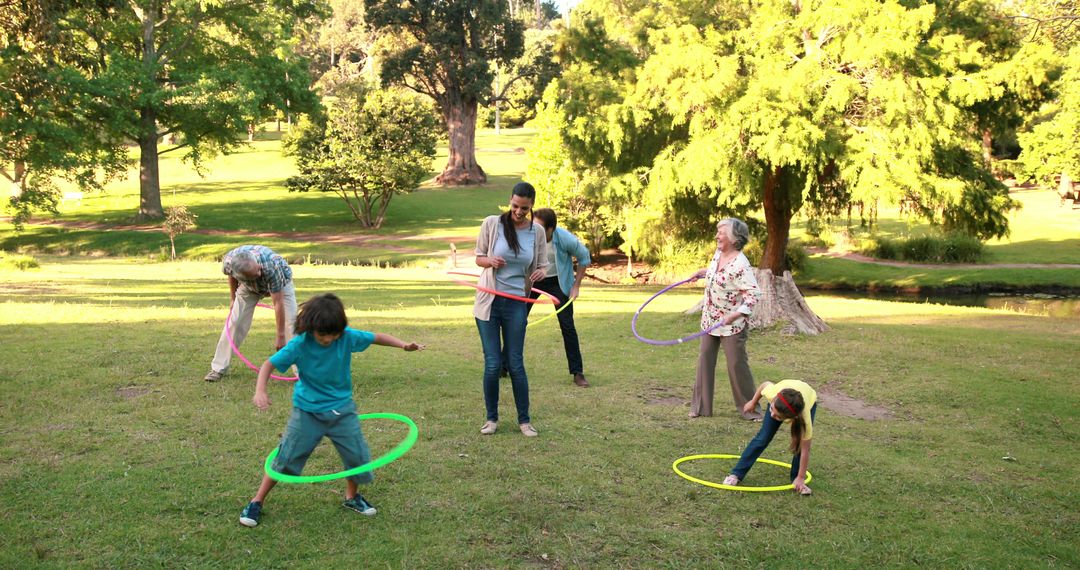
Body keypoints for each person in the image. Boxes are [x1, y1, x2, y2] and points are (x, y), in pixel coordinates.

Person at [239, 293, 424, 527]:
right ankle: (257, 501)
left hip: (342, 409)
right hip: (308, 411)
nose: (329, 339)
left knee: (356, 455)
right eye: (323, 335)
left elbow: (377, 337)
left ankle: (351, 497)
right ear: (311, 327)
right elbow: (269, 364)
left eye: (334, 334)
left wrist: (403, 345)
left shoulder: (345, 337)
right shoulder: (300, 344)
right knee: (286, 458)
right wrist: (260, 391)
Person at [473, 182, 548, 437]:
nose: (518, 211)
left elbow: (542, 265)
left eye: (524, 208)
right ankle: (491, 419)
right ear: (510, 201)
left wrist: (540, 272)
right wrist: (490, 261)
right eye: (515, 206)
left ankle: (524, 421)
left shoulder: (536, 232)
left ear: (531, 206)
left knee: (515, 363)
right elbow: (478, 257)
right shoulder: (492, 224)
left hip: (517, 301)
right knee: (493, 364)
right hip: (489, 302)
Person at [689, 218, 762, 419]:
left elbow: (753, 295)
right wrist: (702, 273)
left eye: (721, 232)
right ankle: (701, 408)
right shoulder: (718, 254)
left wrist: (735, 314)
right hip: (710, 320)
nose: (717, 236)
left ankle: (751, 411)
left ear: (733, 237)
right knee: (704, 360)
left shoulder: (741, 264)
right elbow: (719, 275)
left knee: (736, 365)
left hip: (731, 325)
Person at [204, 245, 297, 382]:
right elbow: (231, 276)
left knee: (291, 324)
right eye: (255, 275)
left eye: (258, 270)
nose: (259, 274)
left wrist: (280, 336)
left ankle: (303, 373)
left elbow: (278, 303)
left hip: (281, 283)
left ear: (257, 263)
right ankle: (218, 369)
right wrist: (233, 298)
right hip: (248, 287)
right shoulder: (228, 263)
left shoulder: (271, 266)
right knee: (235, 322)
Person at [527, 208, 591, 387]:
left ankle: (577, 372)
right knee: (517, 322)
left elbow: (584, 257)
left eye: (539, 228)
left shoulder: (564, 238)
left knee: (567, 326)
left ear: (551, 229)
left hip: (558, 282)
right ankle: (503, 366)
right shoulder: (528, 235)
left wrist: (576, 286)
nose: (535, 231)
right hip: (533, 279)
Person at [722, 379, 817, 495]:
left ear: (791, 418)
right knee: (763, 438)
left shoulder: (804, 419)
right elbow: (764, 385)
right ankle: (736, 474)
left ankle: (797, 480)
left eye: (777, 417)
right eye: (771, 410)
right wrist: (753, 402)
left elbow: (805, 450)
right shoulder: (773, 393)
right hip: (782, 399)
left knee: (800, 446)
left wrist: (802, 477)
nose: (772, 415)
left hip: (807, 400)